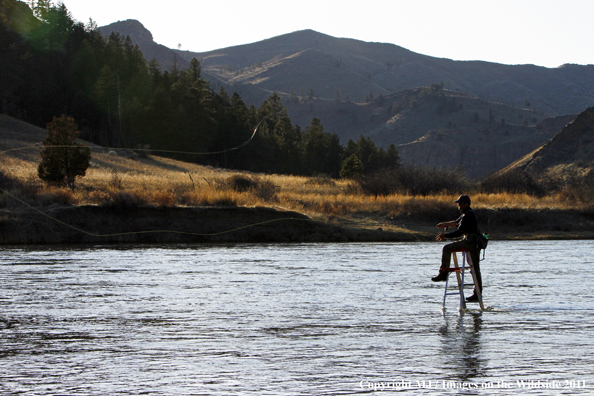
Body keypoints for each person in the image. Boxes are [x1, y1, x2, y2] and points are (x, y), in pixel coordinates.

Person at [431, 194, 483, 302]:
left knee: (447, 248)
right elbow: (456, 223)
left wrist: (445, 236)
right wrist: (445, 224)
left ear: (466, 204)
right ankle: (477, 294)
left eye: (460, 203)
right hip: (473, 242)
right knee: (475, 268)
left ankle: (443, 273)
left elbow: (459, 232)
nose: (458, 205)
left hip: (470, 242)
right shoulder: (467, 213)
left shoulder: (468, 215)